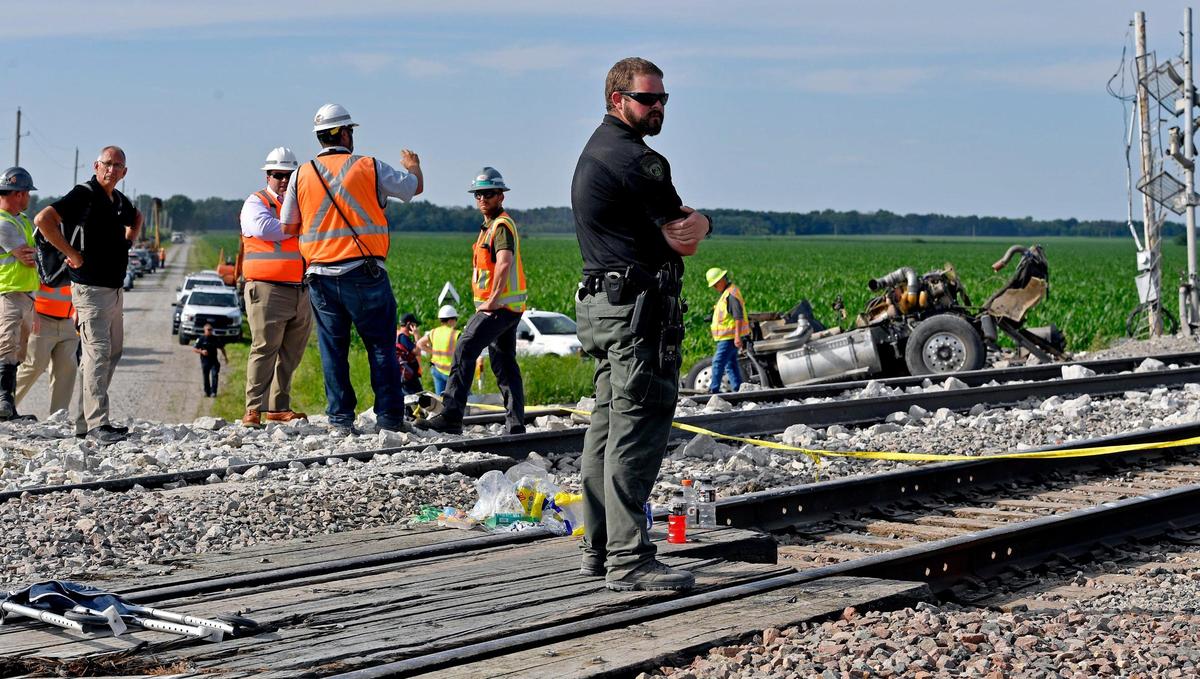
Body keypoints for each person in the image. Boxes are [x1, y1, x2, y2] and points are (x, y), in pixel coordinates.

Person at [571, 57, 711, 592]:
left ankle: (600, 547)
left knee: (606, 428)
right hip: (636, 314)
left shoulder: (596, 149)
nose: (657, 108)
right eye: (647, 99)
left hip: (605, 308)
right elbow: (686, 237)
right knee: (638, 428)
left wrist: (691, 226)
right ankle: (629, 560)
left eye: (663, 100)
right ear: (617, 101)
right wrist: (705, 222)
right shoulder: (639, 162)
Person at [280, 103, 423, 436]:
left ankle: (340, 420)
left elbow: (288, 226)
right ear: (344, 133)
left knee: (333, 349)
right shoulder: (368, 166)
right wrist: (414, 166)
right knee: (381, 347)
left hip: (320, 277)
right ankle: (389, 418)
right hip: (365, 273)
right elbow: (412, 188)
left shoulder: (302, 174)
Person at [35, 146, 142, 444]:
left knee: (112, 352)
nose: (111, 170)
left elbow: (138, 218)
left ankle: (85, 422)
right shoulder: (84, 193)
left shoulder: (119, 201)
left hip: (115, 290)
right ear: (96, 165)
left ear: (124, 172)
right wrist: (71, 254)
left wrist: (127, 243)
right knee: (97, 351)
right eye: (107, 164)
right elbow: (43, 219)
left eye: (117, 165)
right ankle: (98, 424)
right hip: (89, 289)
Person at [418, 168, 527, 436]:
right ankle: (515, 424)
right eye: (478, 194)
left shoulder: (500, 226)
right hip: (508, 308)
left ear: (500, 196)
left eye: (488, 194)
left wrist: (492, 299)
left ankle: (452, 416)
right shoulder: (489, 227)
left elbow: (504, 263)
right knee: (503, 363)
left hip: (499, 307)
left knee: (465, 347)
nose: (482, 198)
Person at [239, 147, 313, 428]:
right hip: (267, 289)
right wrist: (301, 226)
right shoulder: (255, 203)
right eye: (278, 175)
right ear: (267, 175)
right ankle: (253, 408)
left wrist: (296, 225)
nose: (283, 180)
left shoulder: (302, 204)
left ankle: (278, 407)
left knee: (291, 352)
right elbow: (266, 229)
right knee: (264, 348)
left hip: (300, 288)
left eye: (288, 175)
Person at [0, 168, 41, 421]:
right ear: (18, 193)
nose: (29, 198)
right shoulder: (3, 223)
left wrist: (34, 256)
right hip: (8, 292)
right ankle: (2, 400)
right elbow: (27, 257)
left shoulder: (22, 220)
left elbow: (32, 254)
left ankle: (9, 406)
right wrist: (34, 256)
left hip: (25, 295)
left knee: (18, 350)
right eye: (27, 193)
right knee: (6, 345)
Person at [15, 283, 78, 417]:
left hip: (68, 321)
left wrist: (79, 310)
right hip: (41, 319)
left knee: (67, 368)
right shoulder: (43, 261)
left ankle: (58, 416)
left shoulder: (81, 262)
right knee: (33, 366)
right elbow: (27, 287)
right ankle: (5, 406)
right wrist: (33, 313)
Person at [705, 267, 749, 393]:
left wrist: (737, 336)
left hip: (729, 338)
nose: (714, 287)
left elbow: (738, 316)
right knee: (731, 364)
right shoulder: (726, 293)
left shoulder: (730, 294)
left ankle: (713, 389)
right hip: (726, 337)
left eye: (715, 284)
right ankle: (738, 389)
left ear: (722, 280)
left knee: (718, 362)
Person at [416, 305, 460, 395]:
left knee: (440, 400)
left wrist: (433, 352)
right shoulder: (455, 334)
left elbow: (420, 343)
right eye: (456, 319)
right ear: (451, 320)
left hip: (436, 369)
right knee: (463, 397)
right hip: (450, 372)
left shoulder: (434, 332)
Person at [194, 324, 228, 397]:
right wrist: (201, 352)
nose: (210, 331)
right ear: (204, 330)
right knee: (206, 377)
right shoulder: (201, 339)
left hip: (214, 361)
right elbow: (194, 349)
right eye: (208, 330)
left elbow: (222, 348)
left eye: (211, 330)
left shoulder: (215, 338)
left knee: (215, 375)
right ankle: (207, 391)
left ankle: (213, 392)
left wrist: (226, 358)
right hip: (205, 361)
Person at [395, 312, 422, 399]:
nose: (416, 327)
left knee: (408, 399)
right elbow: (417, 351)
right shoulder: (403, 338)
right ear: (409, 324)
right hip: (408, 375)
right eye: (414, 324)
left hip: (401, 373)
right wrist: (416, 335)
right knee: (418, 398)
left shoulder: (397, 334)